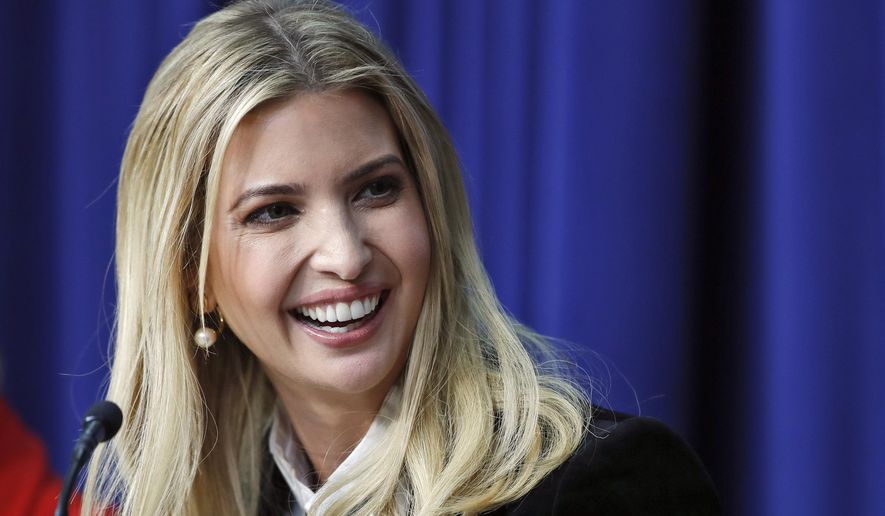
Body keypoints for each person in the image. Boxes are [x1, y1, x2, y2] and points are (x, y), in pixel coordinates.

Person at [83, 1, 721, 514]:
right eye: (274, 211)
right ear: (194, 276)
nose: (346, 254)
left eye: (376, 189)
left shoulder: (604, 488)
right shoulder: (218, 501)